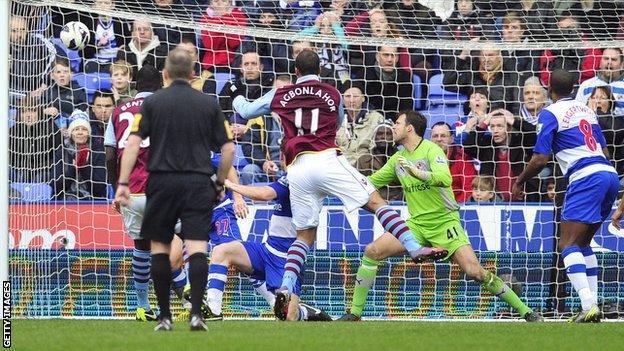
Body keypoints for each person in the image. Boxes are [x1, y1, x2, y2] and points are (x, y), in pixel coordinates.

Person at [231, 50, 447, 321]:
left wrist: (234, 90)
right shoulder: (332, 92)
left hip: (297, 167)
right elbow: (338, 121)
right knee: (376, 203)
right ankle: (414, 247)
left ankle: (285, 286)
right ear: (318, 70)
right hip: (327, 158)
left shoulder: (280, 94)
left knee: (304, 236)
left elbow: (245, 110)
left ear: (295, 72)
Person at [339, 111, 542, 322]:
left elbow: (444, 178)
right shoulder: (398, 159)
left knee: (475, 272)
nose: (393, 128)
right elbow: (371, 182)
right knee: (373, 251)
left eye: (397, 123)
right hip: (416, 225)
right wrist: (338, 182)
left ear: (409, 128)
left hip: (445, 223)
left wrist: (418, 173)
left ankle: (525, 311)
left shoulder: (431, 150)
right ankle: (355, 313)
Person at [115, 49, 235, 331]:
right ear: (193, 74)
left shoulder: (152, 103)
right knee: (196, 249)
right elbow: (228, 149)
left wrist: (122, 184)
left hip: (161, 182)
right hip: (196, 182)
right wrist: (219, 184)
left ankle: (165, 317)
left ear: (165, 75)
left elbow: (132, 144)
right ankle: (196, 314)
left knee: (158, 248)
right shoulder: (208, 104)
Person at [512, 69, 620, 323]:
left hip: (585, 177)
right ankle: (592, 306)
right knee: (583, 244)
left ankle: (587, 305)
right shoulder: (586, 110)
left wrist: (519, 181)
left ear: (550, 89)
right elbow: (604, 149)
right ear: (573, 88)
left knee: (567, 244)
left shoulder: (550, 113)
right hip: (608, 173)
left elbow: (540, 158)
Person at [105, 65, 193, 321]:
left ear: (134, 83)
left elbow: (110, 154)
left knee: (142, 247)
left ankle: (143, 307)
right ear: (162, 83)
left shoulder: (118, 112)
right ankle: (186, 287)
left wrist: (116, 189)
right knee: (181, 236)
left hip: (131, 191)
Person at [205, 159, 331, 322]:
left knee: (287, 318)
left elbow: (264, 194)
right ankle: (214, 311)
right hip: (266, 252)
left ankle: (304, 312)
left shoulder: (299, 181)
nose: (285, 162)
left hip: (287, 262)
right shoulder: (289, 177)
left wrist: (230, 185)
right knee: (222, 250)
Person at [54, 118, 107, 200]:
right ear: (70, 133)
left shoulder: (98, 153)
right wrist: (74, 168)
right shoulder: (61, 153)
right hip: (66, 199)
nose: (80, 132)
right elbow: (56, 186)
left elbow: (100, 188)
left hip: (92, 200)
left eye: (84, 129)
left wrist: (84, 167)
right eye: (76, 129)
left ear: (89, 134)